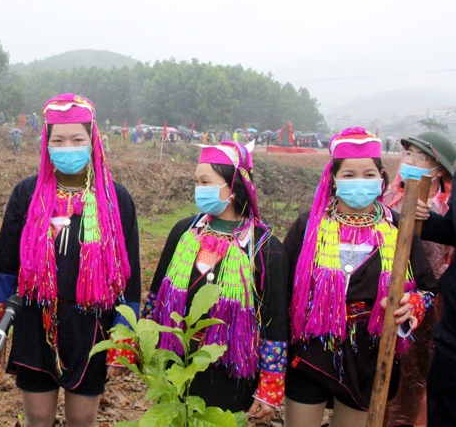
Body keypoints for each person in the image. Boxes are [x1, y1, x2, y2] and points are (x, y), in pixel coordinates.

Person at [0, 93, 140, 427]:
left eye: (76, 139)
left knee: (82, 421)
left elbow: (131, 278)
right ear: (46, 143)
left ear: (92, 140)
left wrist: (123, 339)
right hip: (34, 319)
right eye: (58, 139)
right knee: (36, 419)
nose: (66, 146)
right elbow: (5, 267)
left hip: (92, 324)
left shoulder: (115, 199)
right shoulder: (26, 194)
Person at [284, 127, 437, 426]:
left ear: (381, 178)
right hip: (310, 351)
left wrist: (413, 304)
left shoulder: (398, 229)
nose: (360, 183)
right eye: (349, 175)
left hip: (370, 355)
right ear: (333, 179)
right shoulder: (308, 227)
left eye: (369, 175)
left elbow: (427, 289)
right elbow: (283, 289)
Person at [143, 141, 288, 424]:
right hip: (177, 363)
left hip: (230, 373)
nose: (199, 188)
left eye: (206, 181)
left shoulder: (265, 248)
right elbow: (155, 296)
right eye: (196, 181)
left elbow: (276, 323)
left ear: (233, 185)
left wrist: (270, 388)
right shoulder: (184, 231)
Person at [383, 131, 455, 427]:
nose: (410, 161)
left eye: (420, 156)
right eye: (408, 154)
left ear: (439, 169)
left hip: (434, 303)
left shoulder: (444, 205)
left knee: (422, 371)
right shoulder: (391, 199)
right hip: (393, 296)